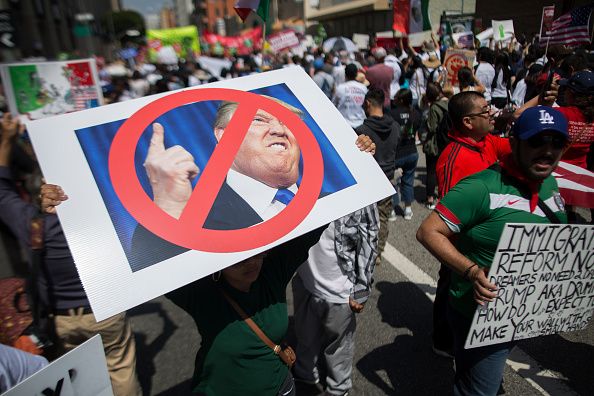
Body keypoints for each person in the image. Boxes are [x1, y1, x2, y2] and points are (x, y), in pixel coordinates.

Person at [40, 143, 377, 396]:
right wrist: (70, 208)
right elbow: (144, 257)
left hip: (281, 389)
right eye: (239, 256)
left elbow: (319, 211)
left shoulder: (271, 274)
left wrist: (355, 153)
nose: (252, 262)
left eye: (257, 252)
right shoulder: (201, 294)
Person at [417, 106, 569, 396]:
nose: (548, 151)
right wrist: (472, 271)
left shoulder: (549, 180)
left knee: (482, 379)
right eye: (537, 141)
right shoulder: (481, 187)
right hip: (479, 313)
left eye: (557, 142)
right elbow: (427, 231)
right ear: (514, 143)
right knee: (478, 389)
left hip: (521, 312)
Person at [0, 114, 142, 396]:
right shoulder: (103, 218)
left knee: (82, 378)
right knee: (120, 367)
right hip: (104, 310)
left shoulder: (34, 226)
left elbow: (2, 192)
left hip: (60, 318)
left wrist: (6, 142)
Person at [292, 204, 378, 396]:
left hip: (340, 289)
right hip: (306, 280)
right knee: (305, 334)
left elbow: (370, 237)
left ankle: (339, 388)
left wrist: (362, 288)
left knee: (339, 348)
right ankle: (305, 373)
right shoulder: (297, 179)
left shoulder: (357, 187)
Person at [355, 88, 400, 264]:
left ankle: (364, 252)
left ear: (367, 103)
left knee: (363, 221)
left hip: (367, 184)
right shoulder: (395, 126)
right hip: (388, 180)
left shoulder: (361, 130)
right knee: (382, 219)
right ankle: (378, 253)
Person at [390, 88, 421, 220]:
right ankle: (408, 210)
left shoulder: (392, 114)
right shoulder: (415, 113)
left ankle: (391, 210)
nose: (394, 100)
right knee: (408, 181)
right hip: (412, 151)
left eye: (396, 98)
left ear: (401, 100)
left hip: (397, 153)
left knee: (393, 181)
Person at [332, 63, 368, 129]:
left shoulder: (340, 88)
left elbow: (333, 105)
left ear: (345, 74)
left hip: (344, 125)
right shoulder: (363, 88)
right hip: (360, 124)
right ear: (357, 74)